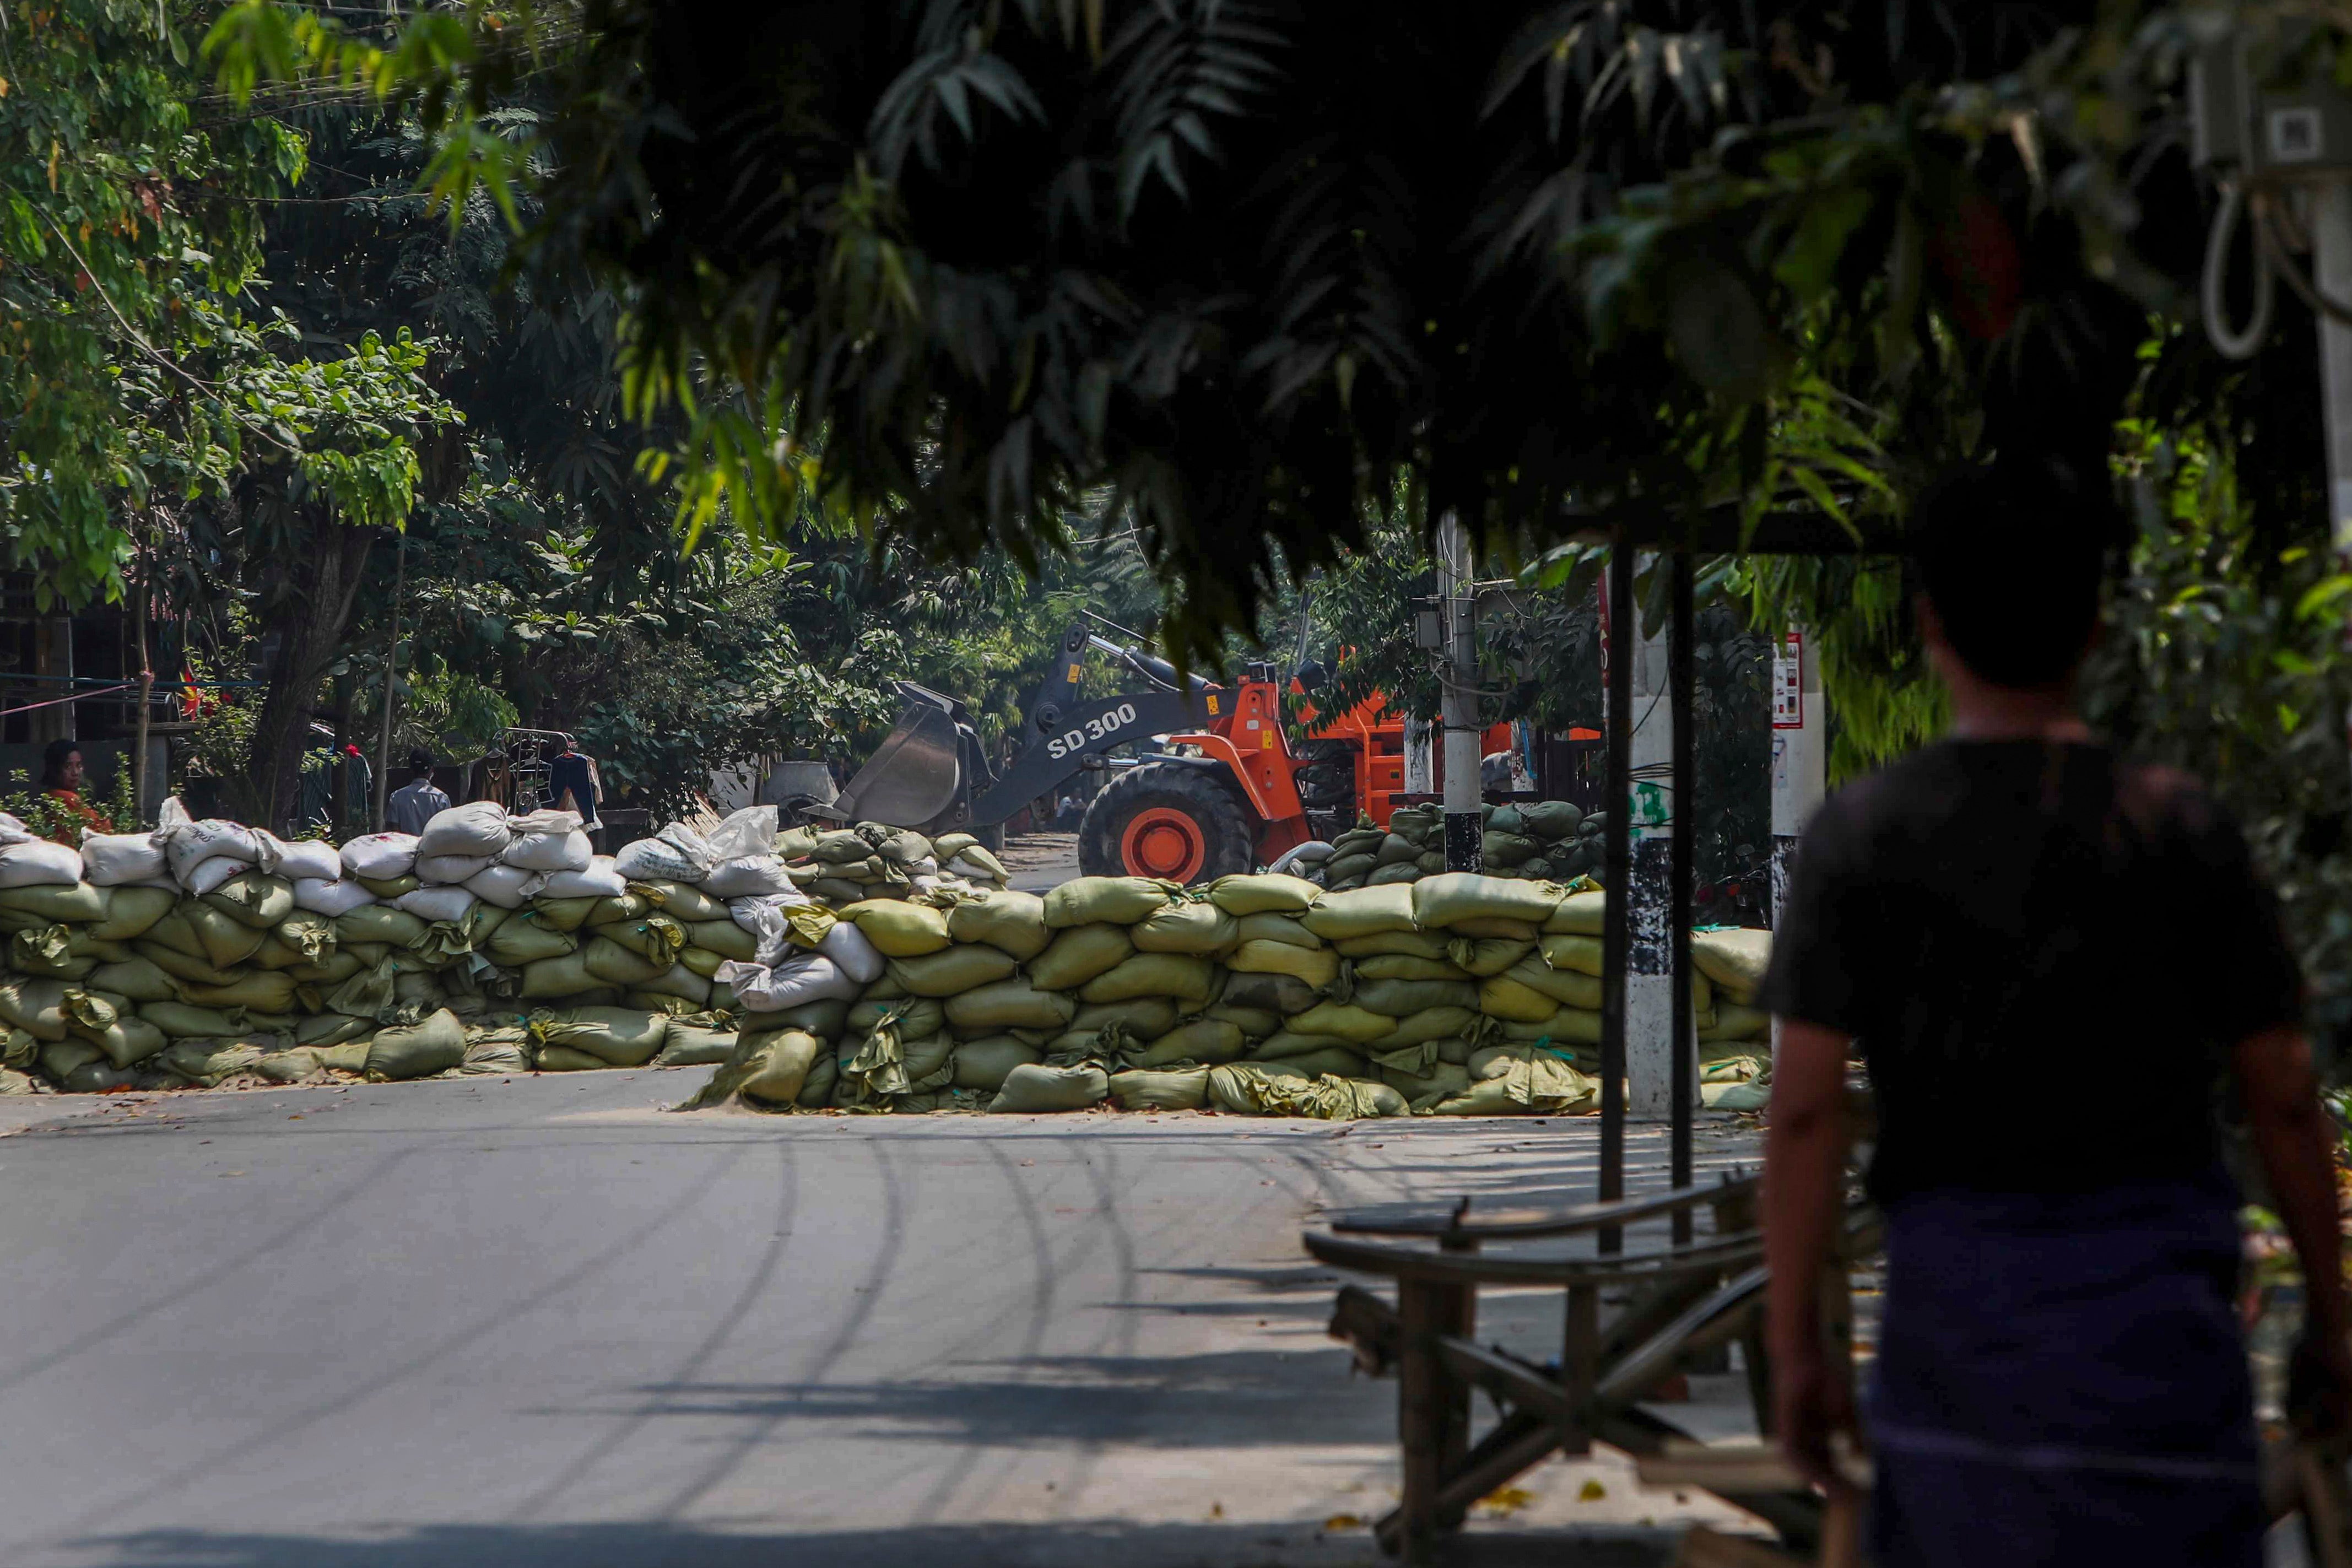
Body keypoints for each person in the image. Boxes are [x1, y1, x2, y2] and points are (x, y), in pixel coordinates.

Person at [1760, 459, 2351, 1566]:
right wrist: (2330, 1315)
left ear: (1929, 622)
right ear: (2093, 624)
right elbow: (2279, 1091)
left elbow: (1801, 1114)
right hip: (2158, 1335)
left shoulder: (1865, 836)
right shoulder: (2181, 827)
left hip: (1957, 1331)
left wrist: (1795, 1347)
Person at [37, 739, 112, 840]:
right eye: (68, 767)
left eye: (79, 766)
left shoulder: (52, 796)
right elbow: (102, 828)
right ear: (54, 769)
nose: (75, 772)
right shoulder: (63, 797)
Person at [385, 749, 451, 836]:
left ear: (411, 769)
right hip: (431, 848)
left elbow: (393, 832)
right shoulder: (441, 798)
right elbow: (446, 831)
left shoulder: (396, 797)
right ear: (431, 770)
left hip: (404, 848)